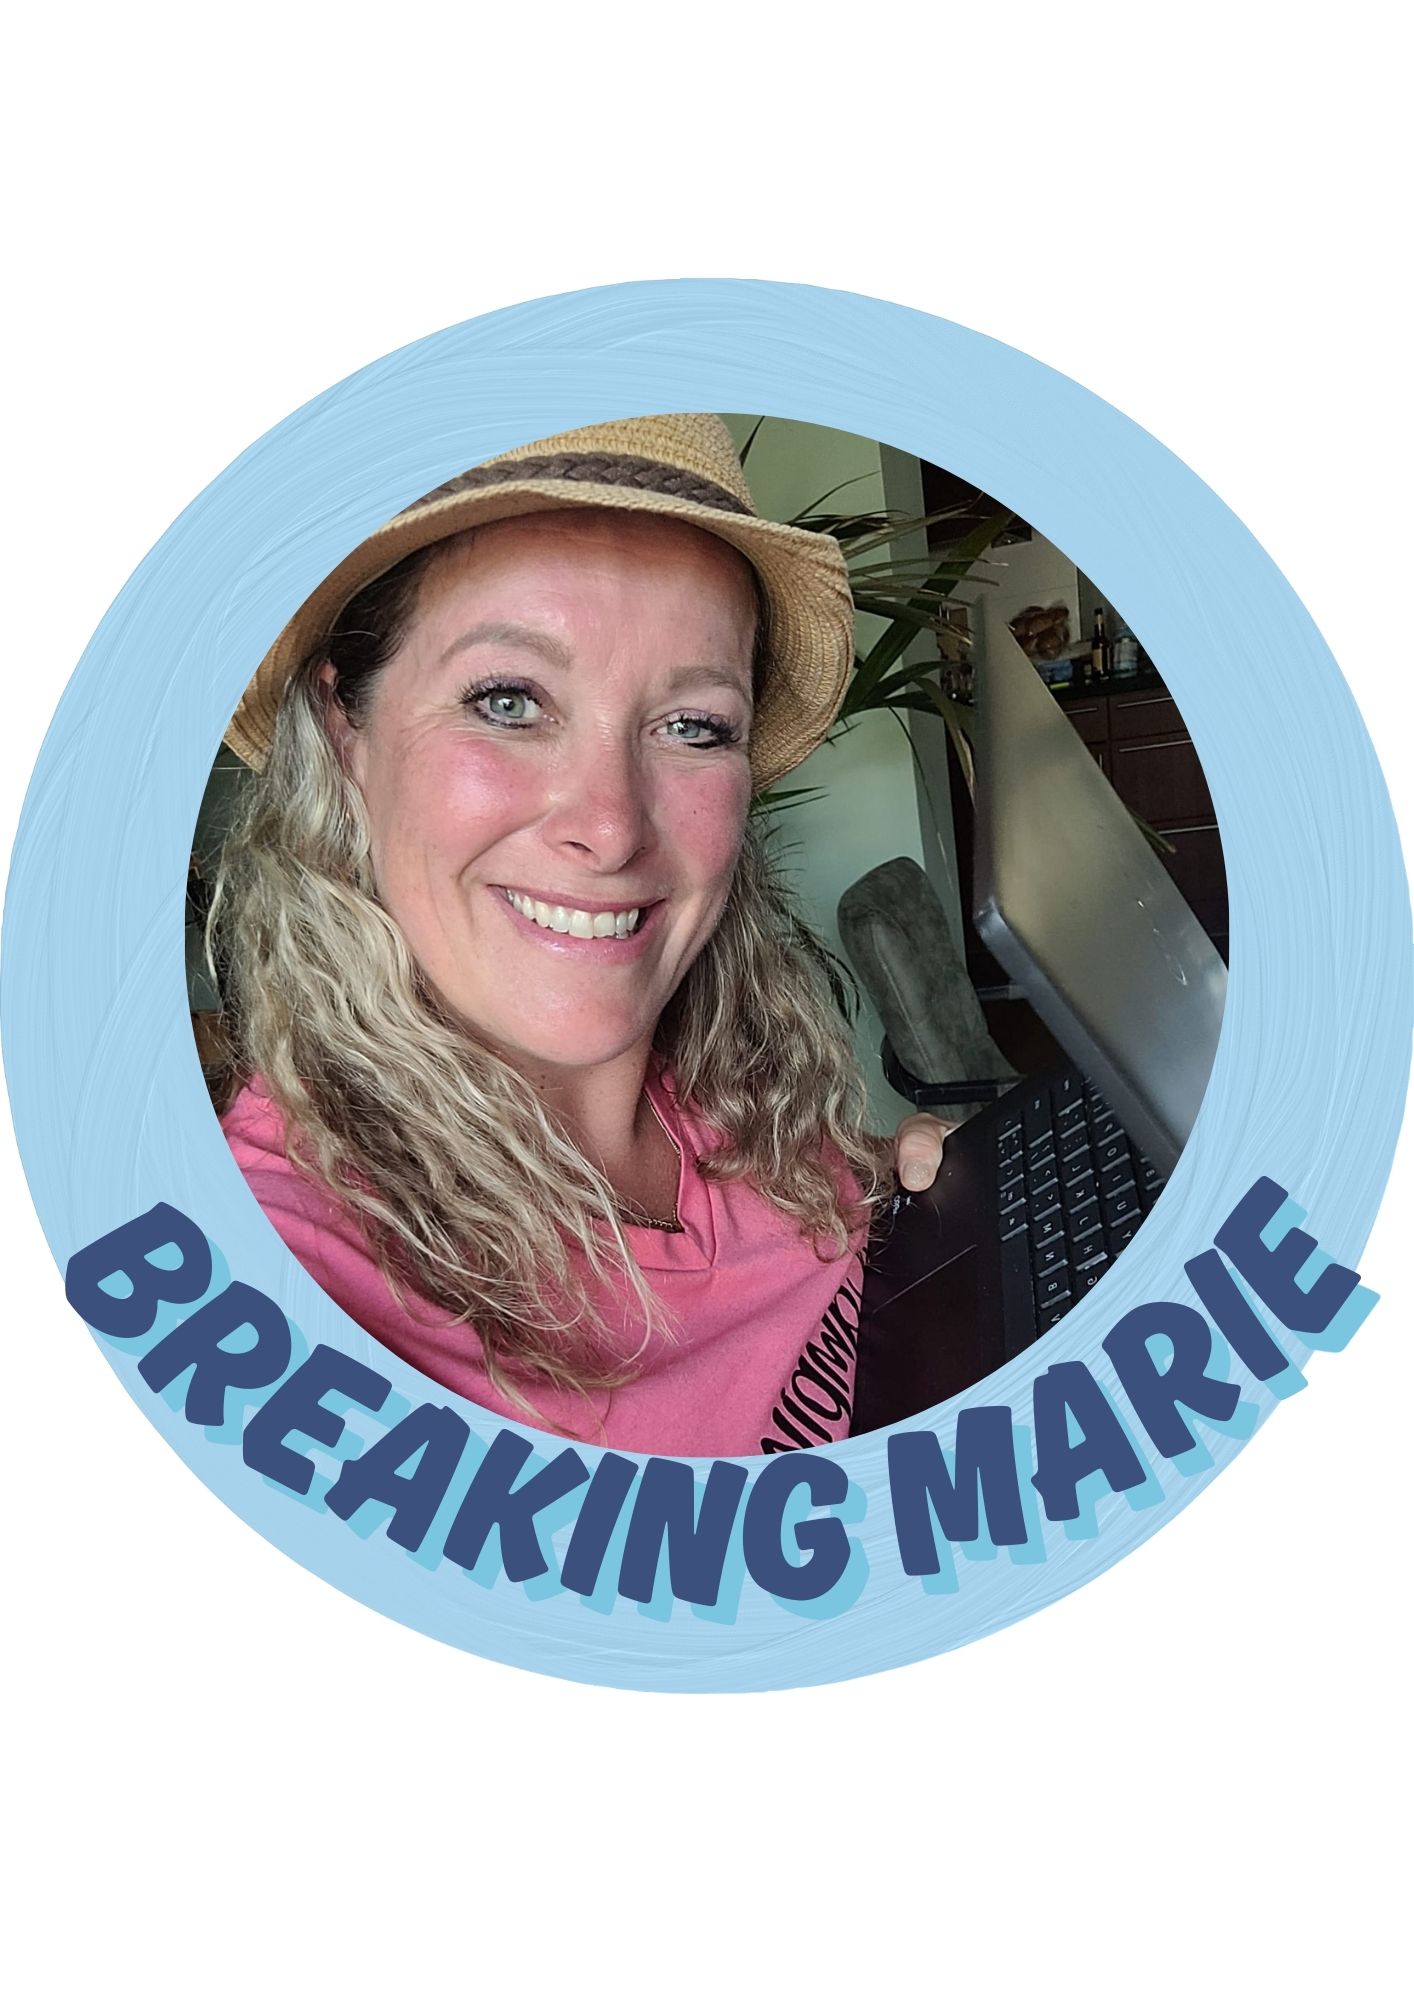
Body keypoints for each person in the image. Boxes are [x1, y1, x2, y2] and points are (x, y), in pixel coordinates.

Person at [213, 414, 949, 1456]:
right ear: (347, 734)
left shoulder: (746, 1100)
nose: (611, 827)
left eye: (693, 726)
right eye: (508, 702)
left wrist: (932, 1216)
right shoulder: (265, 1297)